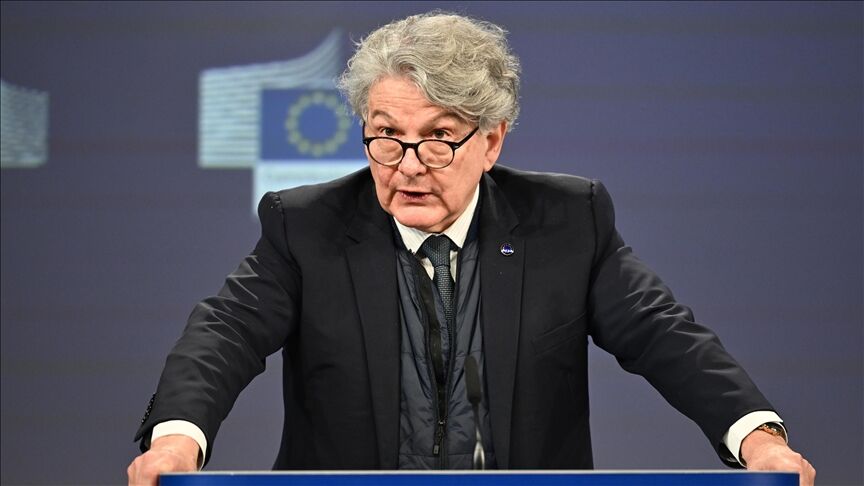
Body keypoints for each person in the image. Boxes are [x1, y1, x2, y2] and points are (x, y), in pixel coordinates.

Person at [127, 11, 815, 486]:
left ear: (491, 141)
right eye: (386, 135)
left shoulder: (567, 221)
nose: (408, 166)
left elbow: (662, 334)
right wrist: (177, 438)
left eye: (438, 138)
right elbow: (225, 333)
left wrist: (757, 438)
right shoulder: (305, 226)